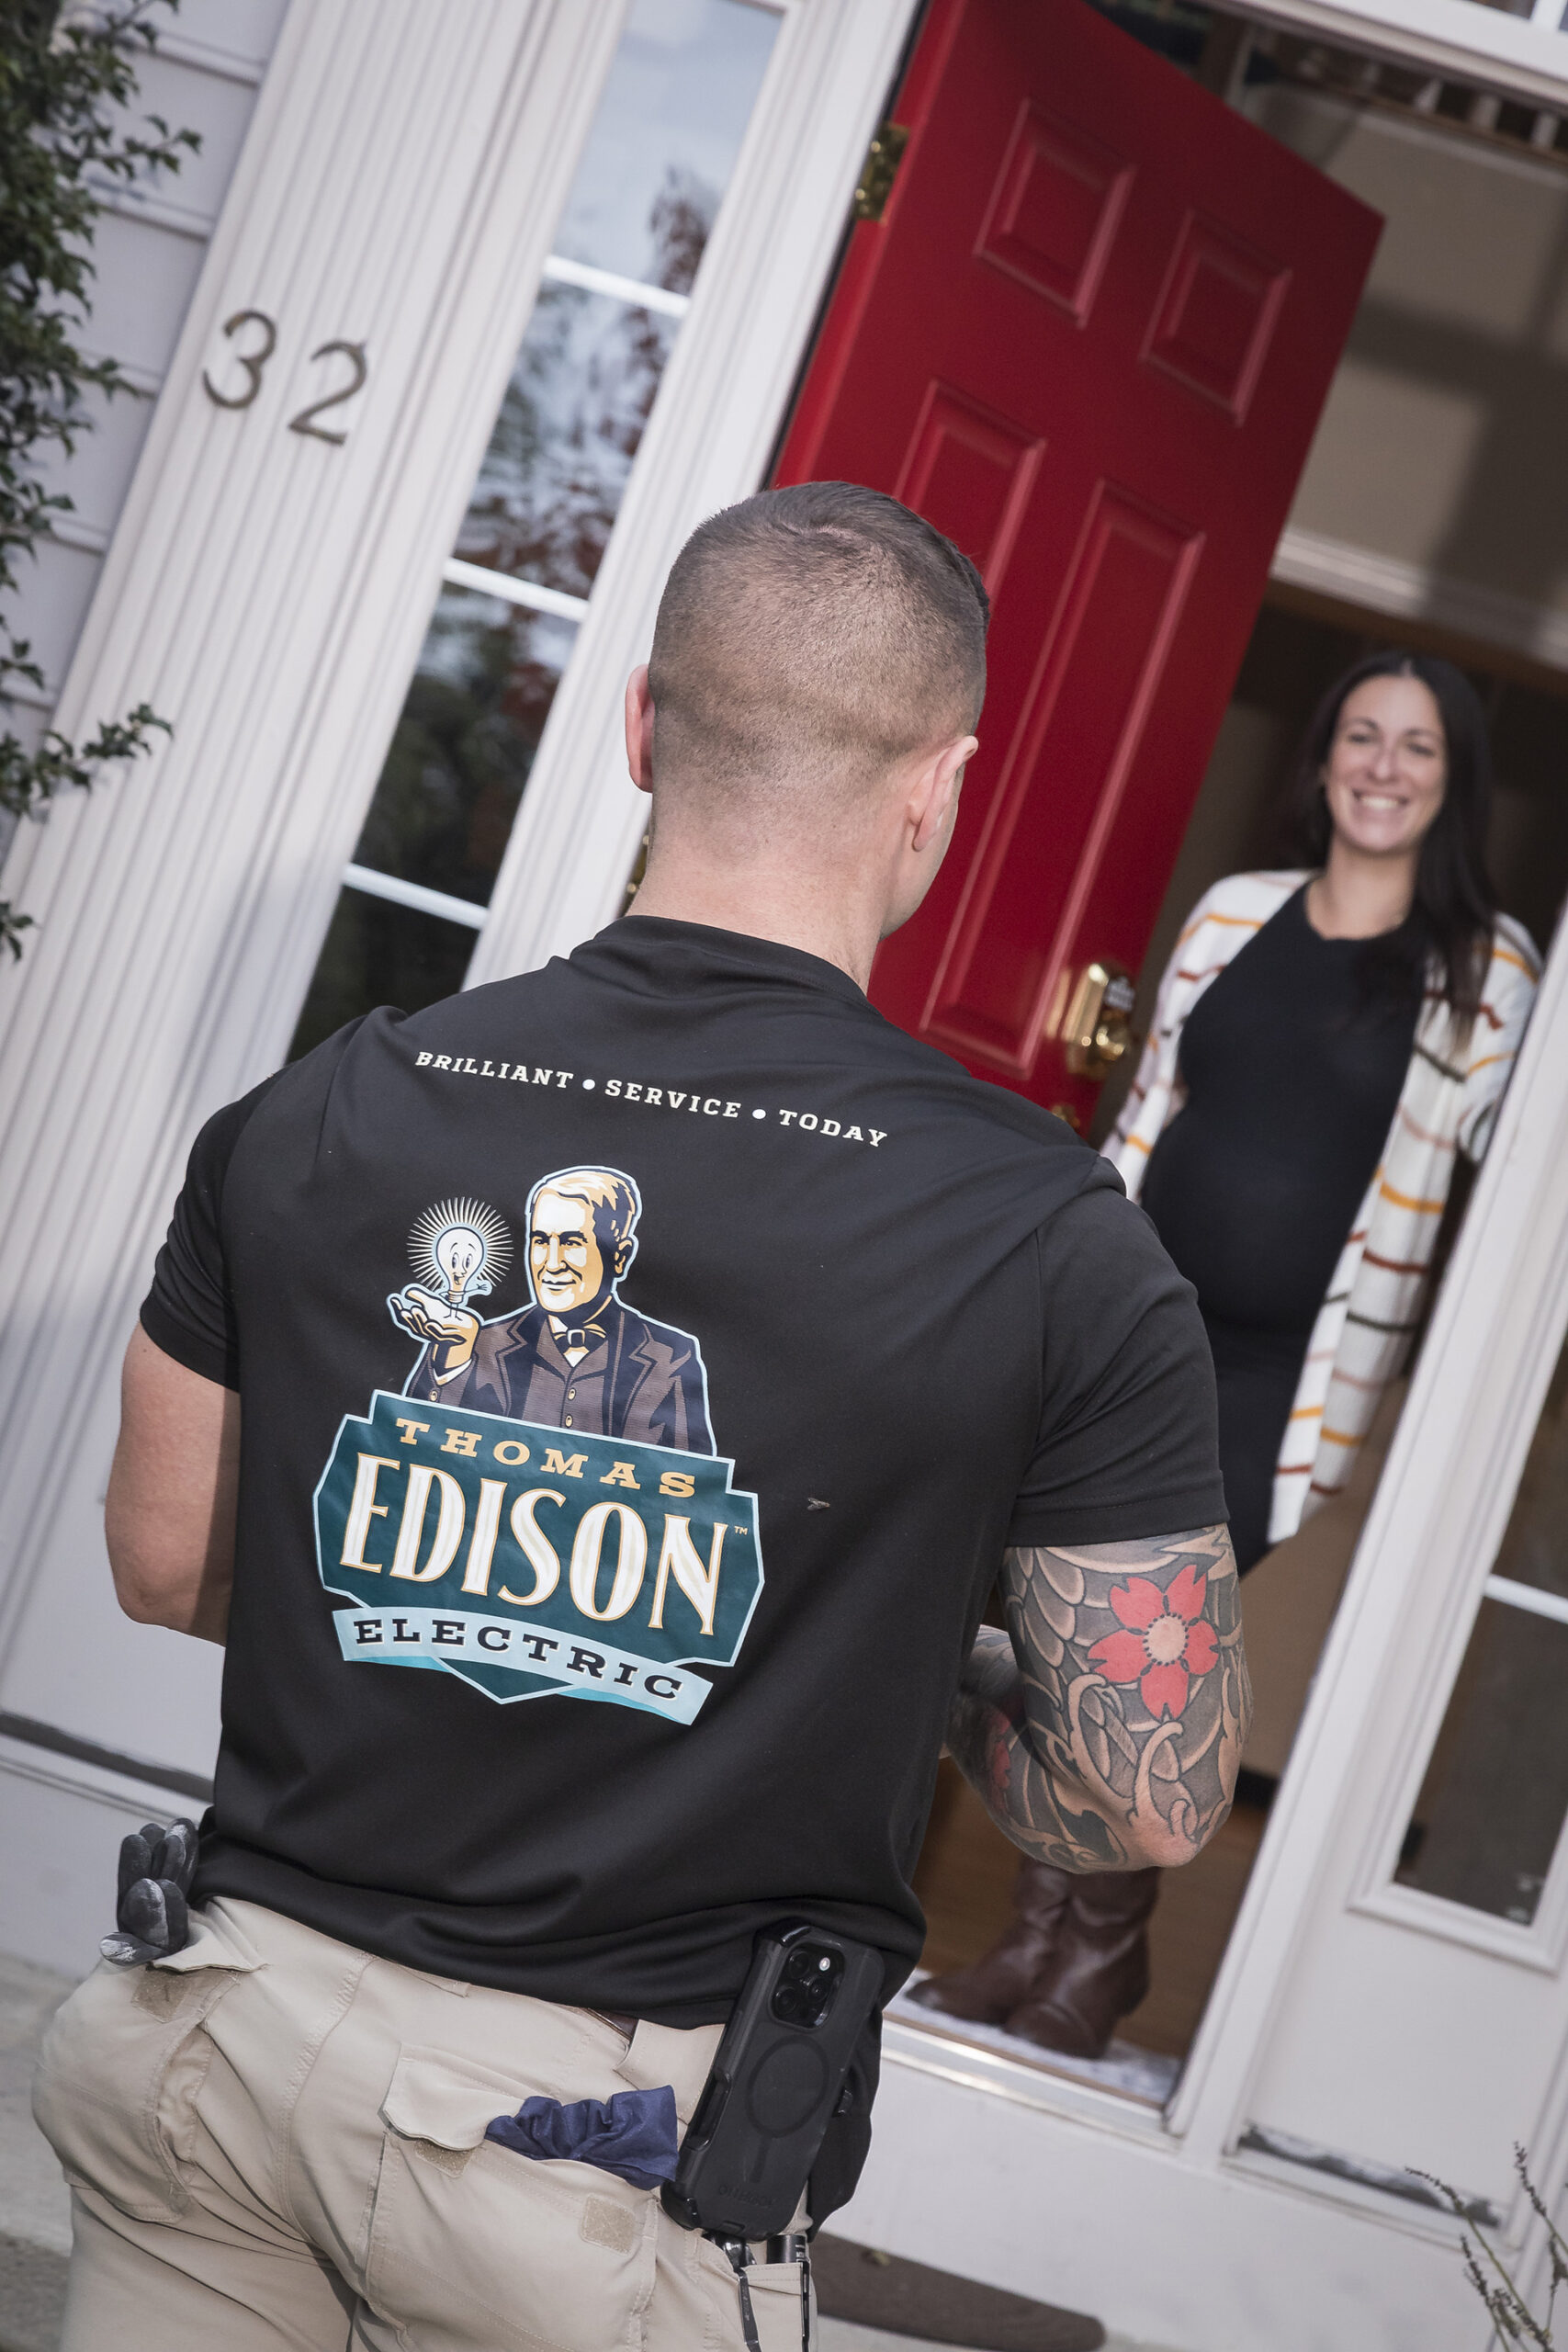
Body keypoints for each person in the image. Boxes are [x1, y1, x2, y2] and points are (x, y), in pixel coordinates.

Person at [35, 482, 1247, 2352]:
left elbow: (166, 1551)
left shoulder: (321, 1107)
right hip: (587, 2163)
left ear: (637, 726)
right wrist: (895, 1656)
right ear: (939, 788)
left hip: (222, 2036)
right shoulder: (1046, 1242)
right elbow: (1143, 1786)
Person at [913, 648, 1539, 2063]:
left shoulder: (1485, 973)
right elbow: (1147, 1116)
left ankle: (1082, 1945)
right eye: (1359, 737)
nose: (1382, 767)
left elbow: (1503, 1197)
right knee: (1062, 1630)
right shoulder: (1233, 916)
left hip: (1280, 1388)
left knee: (1130, 1637)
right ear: (1320, 761)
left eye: (1416, 748)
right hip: (1132, 1334)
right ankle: (1057, 1945)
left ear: (1452, 785)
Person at [392, 1164, 715, 1449]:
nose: (552, 1263)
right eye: (541, 1241)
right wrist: (455, 1358)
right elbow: (413, 1447)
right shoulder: (481, 1344)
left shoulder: (668, 1356)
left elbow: (682, 1487)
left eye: (572, 1242)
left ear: (619, 1256)